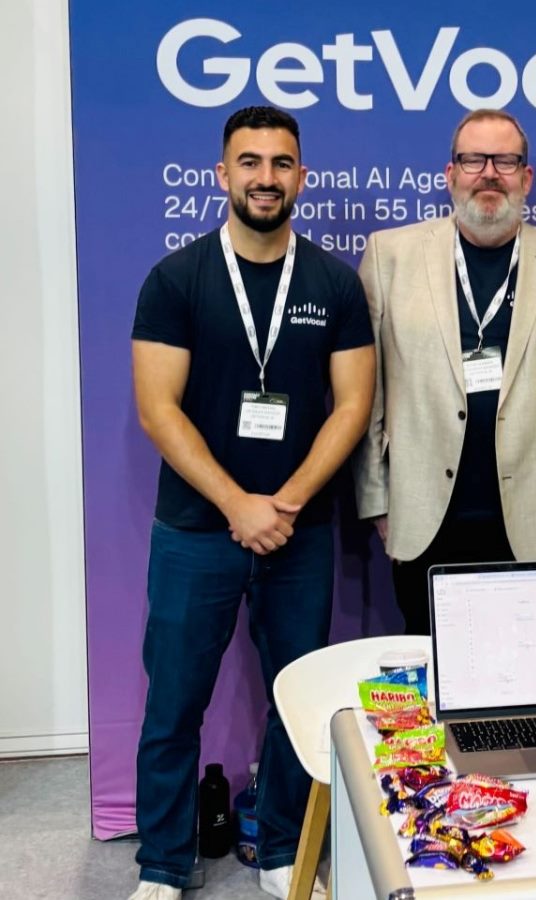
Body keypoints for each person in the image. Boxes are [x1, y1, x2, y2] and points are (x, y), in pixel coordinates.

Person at [128, 106, 375, 900]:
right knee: (174, 702)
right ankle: (163, 862)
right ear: (222, 174)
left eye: (280, 163)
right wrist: (238, 503)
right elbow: (157, 409)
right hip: (197, 529)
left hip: (299, 533)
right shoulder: (176, 280)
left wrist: (285, 504)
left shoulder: (334, 282)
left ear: (301, 176)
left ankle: (280, 851)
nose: (265, 178)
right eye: (249, 162)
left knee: (296, 700)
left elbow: (353, 406)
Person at [353, 109, 536, 634]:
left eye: (505, 161)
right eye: (474, 160)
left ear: (527, 177)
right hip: (423, 515)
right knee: (429, 665)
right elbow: (368, 391)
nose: (489, 173)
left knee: (529, 668)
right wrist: (377, 497)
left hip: (534, 519)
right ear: (450, 174)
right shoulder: (389, 255)